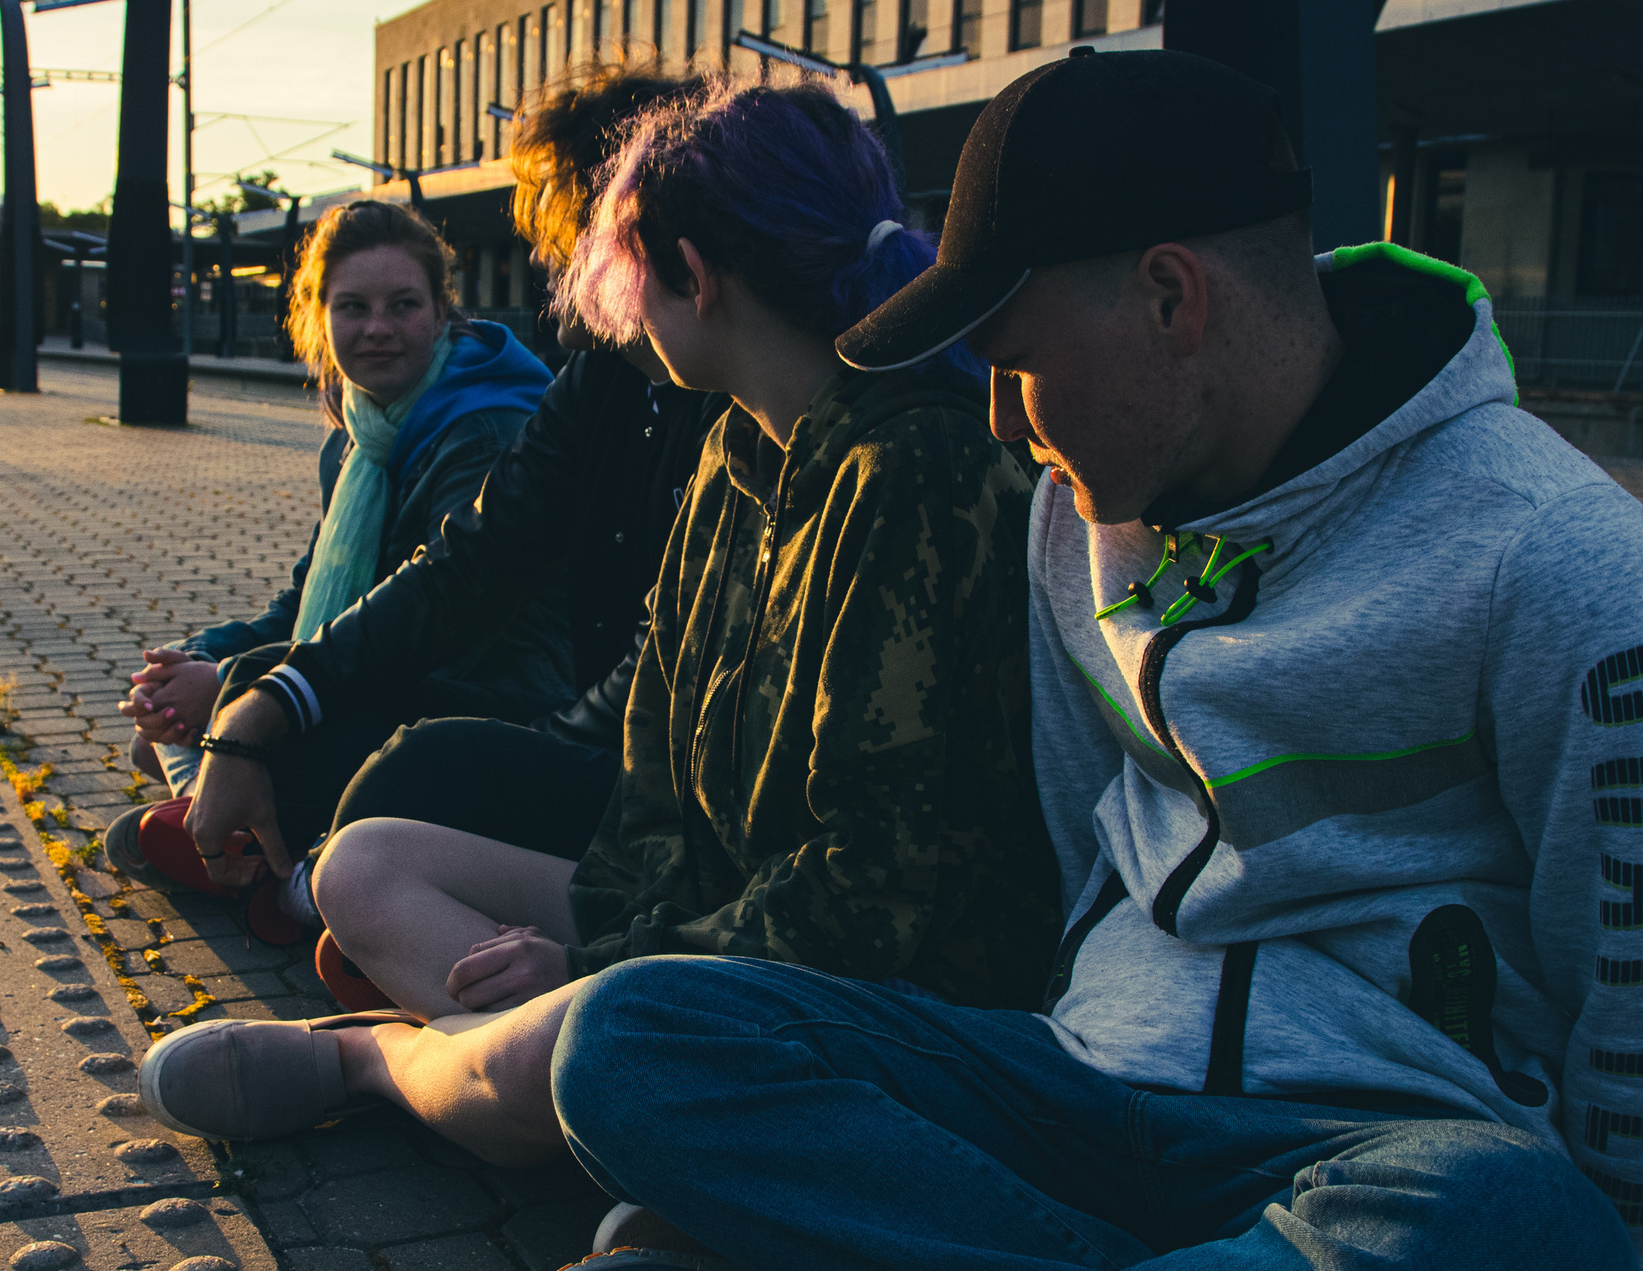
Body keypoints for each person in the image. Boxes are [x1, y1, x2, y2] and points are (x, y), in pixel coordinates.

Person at [498, 50, 1643, 1271]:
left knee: (1538, 1259)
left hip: (1386, 1152)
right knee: (633, 1033)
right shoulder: (1071, 517)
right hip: (1084, 1096)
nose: (1006, 418)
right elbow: (1076, 830)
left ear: (1173, 298)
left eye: (1018, 358)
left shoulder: (1553, 555)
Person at [136, 75, 1062, 1165]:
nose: (610, 306)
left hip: (876, 984)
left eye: (621, 265)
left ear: (694, 276)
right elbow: (654, 779)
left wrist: (591, 971)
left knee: (593, 1046)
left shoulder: (912, 470)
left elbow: (872, 895)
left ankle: (382, 1062)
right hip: (706, 922)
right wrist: (600, 939)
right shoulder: (737, 448)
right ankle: (559, 1096)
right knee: (364, 864)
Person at [134, 63, 725, 973]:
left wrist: (257, 700)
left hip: (632, 763)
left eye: (573, 239)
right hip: (609, 750)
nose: (564, 278)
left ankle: (299, 884)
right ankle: (319, 876)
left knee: (395, 767)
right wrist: (249, 701)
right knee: (261, 704)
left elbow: (492, 606)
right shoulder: (599, 378)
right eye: (352, 307)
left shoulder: (696, 411)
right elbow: (451, 566)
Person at [106, 198, 564, 910]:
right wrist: (195, 660)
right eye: (352, 307)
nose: (377, 328)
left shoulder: (485, 433)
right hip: (376, 675)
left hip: (479, 696)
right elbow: (304, 601)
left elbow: (434, 623)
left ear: (443, 311)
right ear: (318, 316)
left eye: (403, 304)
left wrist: (231, 687)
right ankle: (245, 835)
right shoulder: (361, 435)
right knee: (164, 726)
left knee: (211, 752)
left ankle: (267, 860)